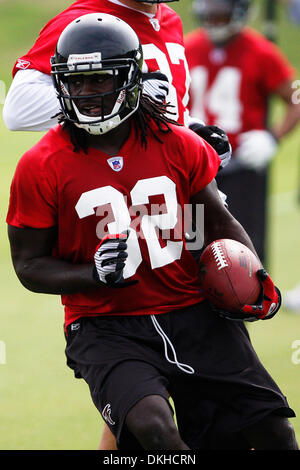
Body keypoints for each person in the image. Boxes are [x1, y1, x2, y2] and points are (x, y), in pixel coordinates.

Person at [6, 13, 298, 450]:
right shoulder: (40, 165)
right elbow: (28, 265)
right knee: (155, 428)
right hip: (105, 325)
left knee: (273, 430)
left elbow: (219, 224)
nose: (87, 94)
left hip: (193, 308)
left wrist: (251, 278)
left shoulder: (178, 142)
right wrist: (93, 275)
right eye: (75, 82)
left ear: (130, 79)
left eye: (100, 79)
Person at [185, 0, 300, 266]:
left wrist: (273, 136)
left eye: (220, 11)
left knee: (244, 245)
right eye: (209, 11)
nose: (213, 17)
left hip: (241, 164)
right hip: (197, 164)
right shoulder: (187, 48)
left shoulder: (261, 51)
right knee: (193, 244)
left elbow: (295, 98)